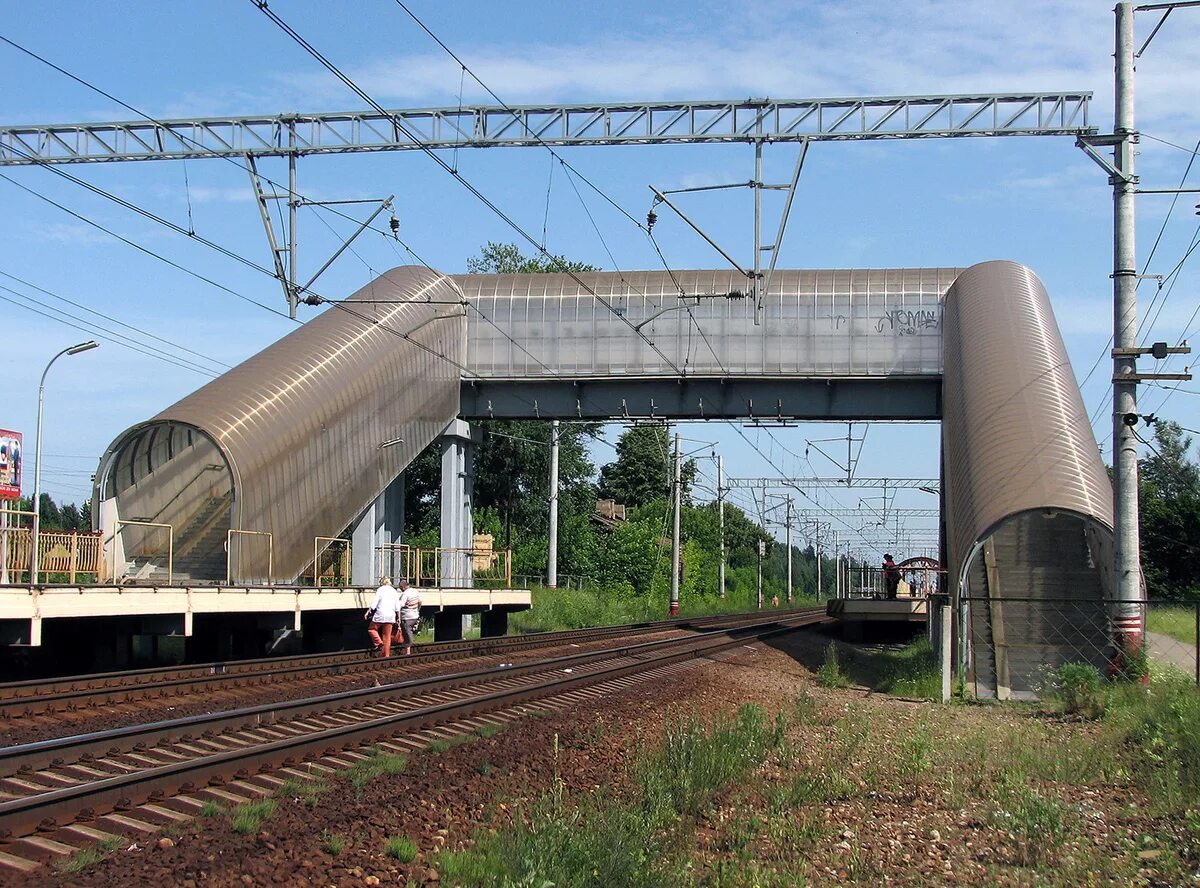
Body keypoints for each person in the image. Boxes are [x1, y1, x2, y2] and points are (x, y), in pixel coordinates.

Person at [365, 576, 400, 657]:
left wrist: (368, 611)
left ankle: (379, 643)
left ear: (381, 583)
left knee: (372, 629)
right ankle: (386, 655)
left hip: (380, 615)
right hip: (391, 616)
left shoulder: (380, 590)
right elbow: (397, 606)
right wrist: (398, 618)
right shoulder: (394, 591)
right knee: (387, 636)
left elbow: (375, 602)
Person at [396, 579, 422, 656]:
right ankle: (407, 648)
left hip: (407, 616)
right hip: (415, 615)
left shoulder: (405, 594)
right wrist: (418, 609)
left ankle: (408, 652)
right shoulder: (415, 591)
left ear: (403, 587)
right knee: (409, 631)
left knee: (407, 632)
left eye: (400, 588)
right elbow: (420, 601)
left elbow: (401, 605)